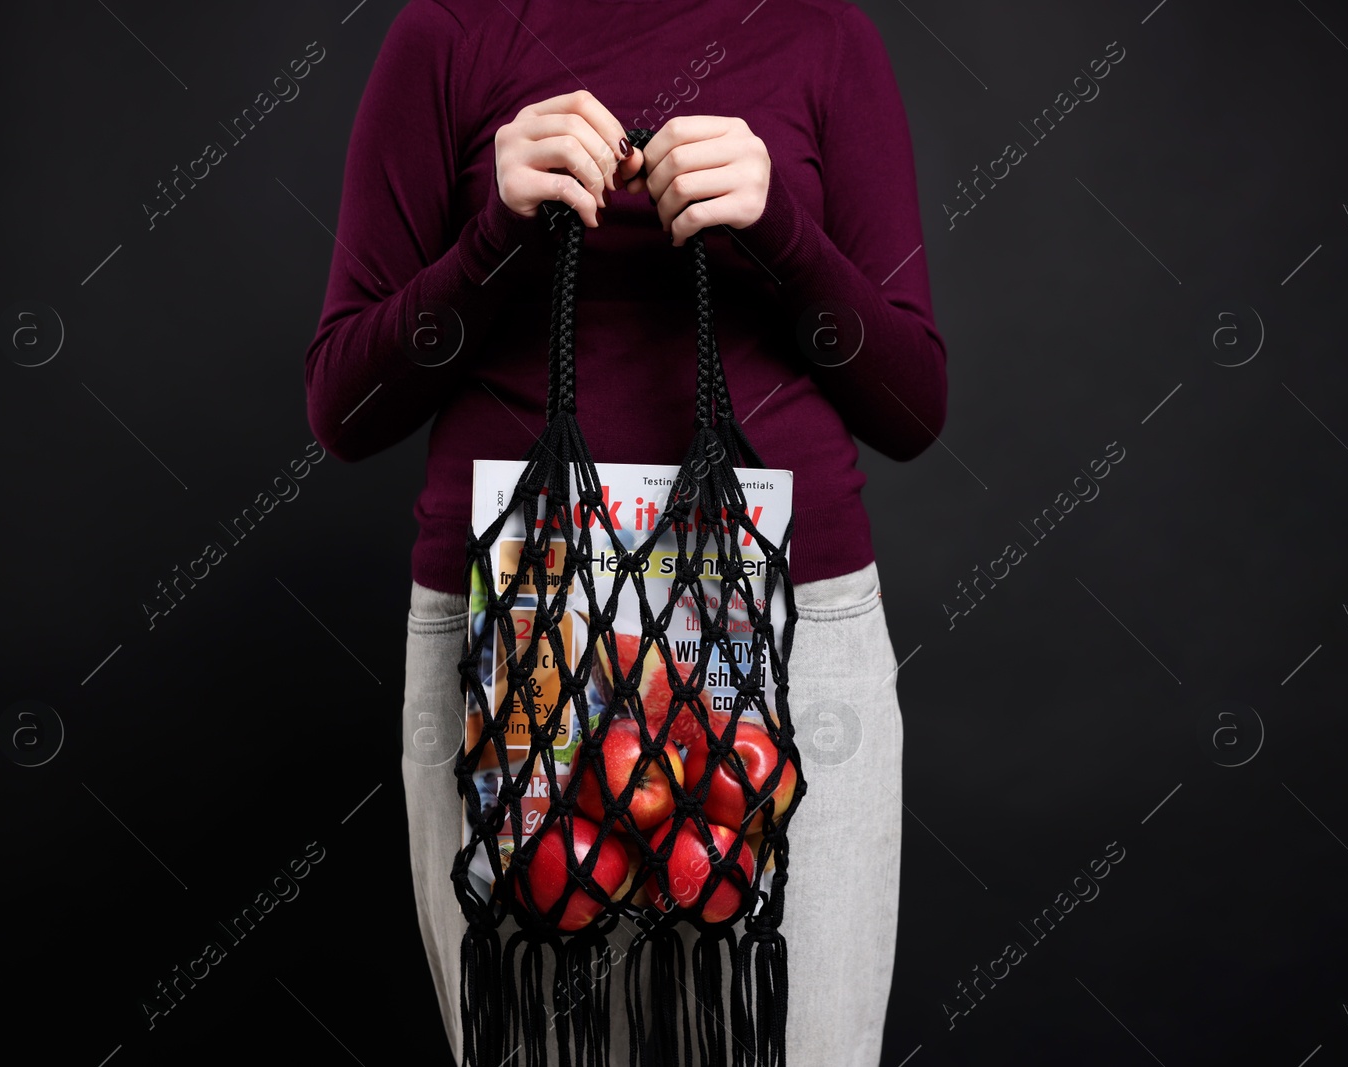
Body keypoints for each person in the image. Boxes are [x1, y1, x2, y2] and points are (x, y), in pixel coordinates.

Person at [303, 1, 947, 1063]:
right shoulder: (448, 33)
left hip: (784, 641)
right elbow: (346, 410)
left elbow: (912, 408)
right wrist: (494, 234)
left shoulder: (824, 33)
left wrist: (779, 225)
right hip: (518, 641)